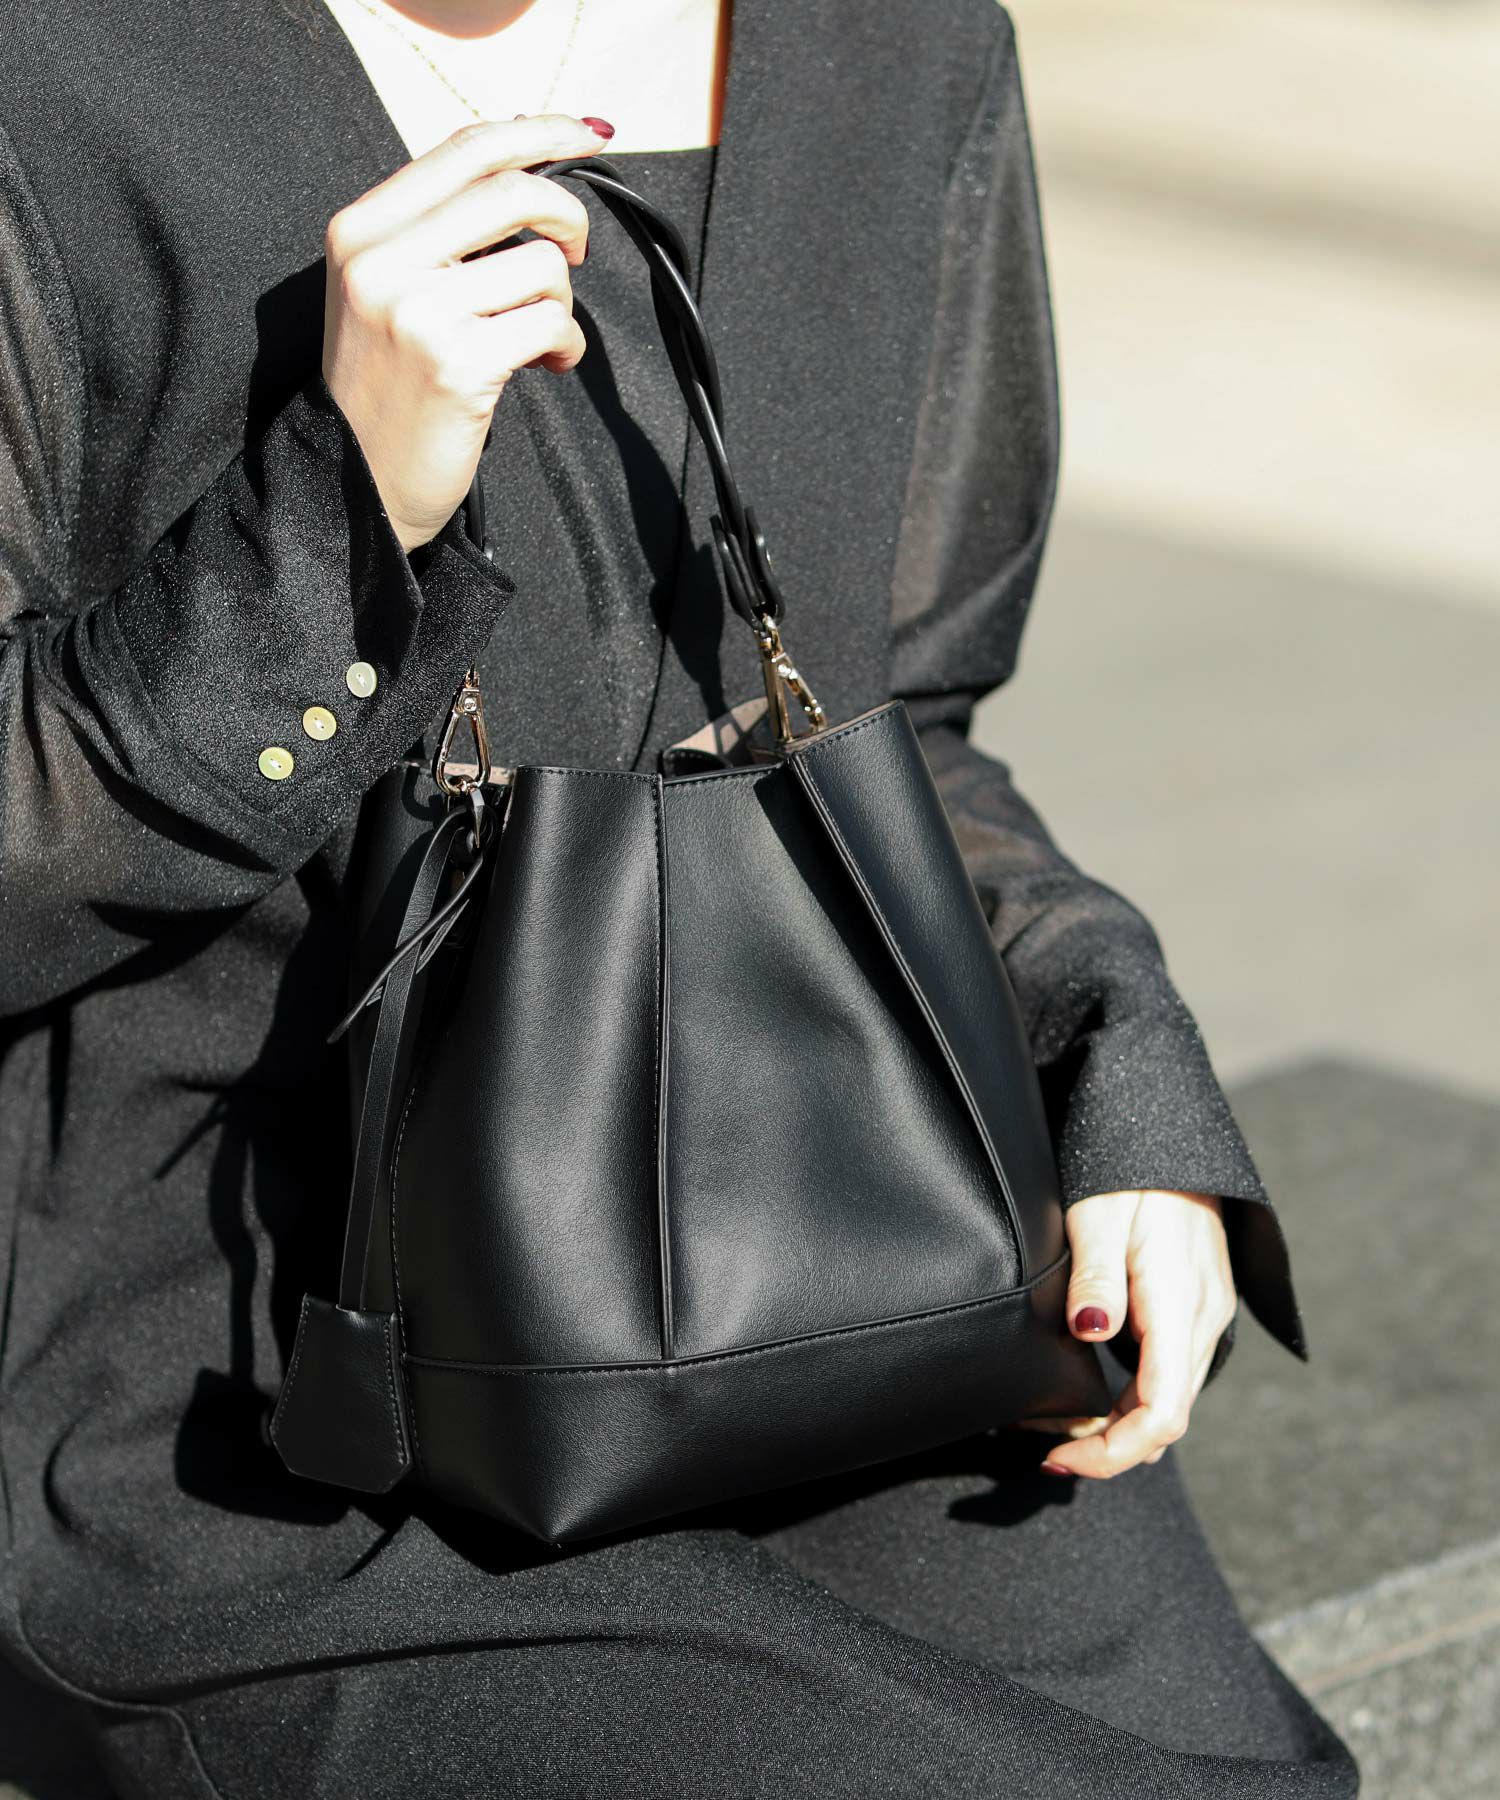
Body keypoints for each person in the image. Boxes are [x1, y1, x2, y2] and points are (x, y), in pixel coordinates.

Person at [0, 0, 1358, 1793]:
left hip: (845, 1269)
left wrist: (1106, 1050)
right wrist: (343, 518)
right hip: (262, 1388)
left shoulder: (894, 49)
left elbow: (904, 717)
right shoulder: (50, 77)